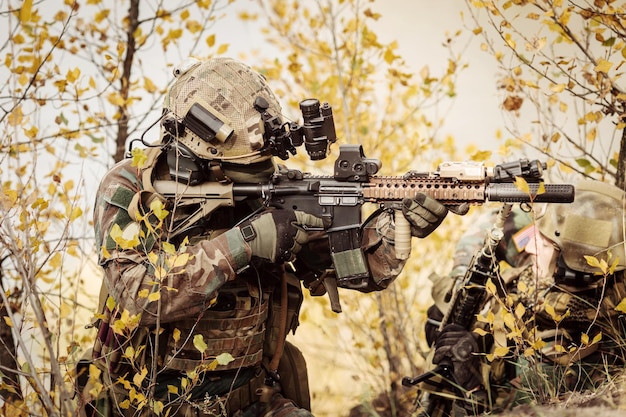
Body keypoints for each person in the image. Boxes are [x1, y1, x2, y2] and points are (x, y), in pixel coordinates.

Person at [84, 57, 451, 417]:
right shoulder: (132, 188)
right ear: (197, 152)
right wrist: (243, 244)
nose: (259, 176)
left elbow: (354, 271)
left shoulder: (272, 187)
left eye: (261, 166)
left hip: (255, 399)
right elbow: (139, 296)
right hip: (149, 402)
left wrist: (398, 226)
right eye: (243, 169)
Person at [420, 179, 626, 415]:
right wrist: (459, 286)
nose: (529, 246)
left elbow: (505, 410)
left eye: (545, 244)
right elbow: (495, 222)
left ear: (573, 268)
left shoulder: (566, 363)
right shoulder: (560, 266)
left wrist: (471, 385)